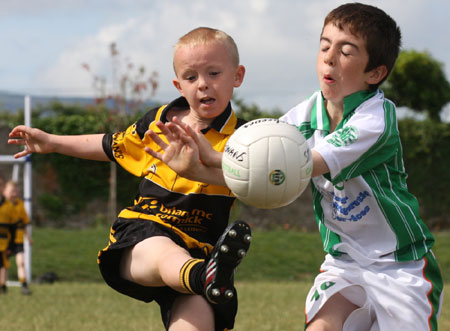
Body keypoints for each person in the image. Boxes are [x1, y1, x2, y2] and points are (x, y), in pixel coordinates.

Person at [148, 4, 443, 330]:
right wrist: (197, 168)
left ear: (374, 73)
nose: (329, 57)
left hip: (400, 265)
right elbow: (261, 172)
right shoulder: (304, 115)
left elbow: (294, 168)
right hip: (345, 264)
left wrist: (214, 158)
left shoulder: (375, 119)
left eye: (346, 51)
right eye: (324, 45)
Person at [8, 27, 251, 330]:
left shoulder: (248, 140)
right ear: (178, 85)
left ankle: (206, 278)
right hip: (145, 234)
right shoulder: (159, 121)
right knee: (165, 253)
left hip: (201, 251)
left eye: (214, 73)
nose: (203, 85)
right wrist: (53, 142)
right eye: (191, 77)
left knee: (197, 322)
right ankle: (204, 278)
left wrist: (205, 167)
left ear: (237, 76)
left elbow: (263, 184)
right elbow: (111, 145)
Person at [3, 180, 32, 295]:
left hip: (18, 239)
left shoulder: (20, 205)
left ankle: (24, 285)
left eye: (15, 191)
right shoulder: (3, 205)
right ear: (5, 191)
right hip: (6, 240)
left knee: (21, 262)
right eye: (11, 191)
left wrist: (28, 237)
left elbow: (23, 223)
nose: (13, 194)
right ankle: (3, 286)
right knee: (4, 264)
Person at [0, 174, 16, 295]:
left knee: (3, 264)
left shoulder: (9, 206)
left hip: (4, 240)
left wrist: (11, 245)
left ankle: (3, 286)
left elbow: (13, 227)